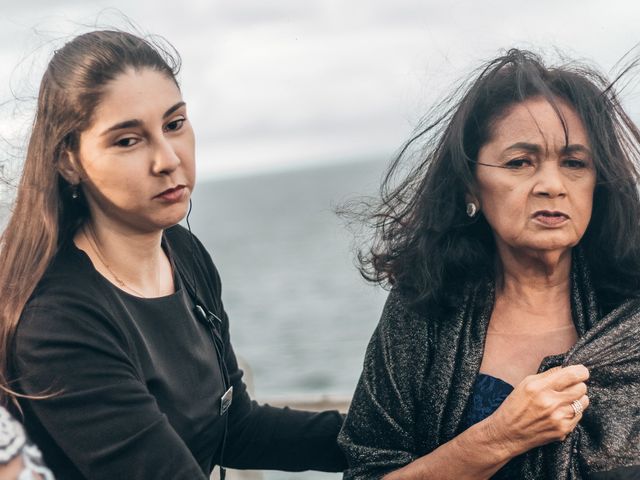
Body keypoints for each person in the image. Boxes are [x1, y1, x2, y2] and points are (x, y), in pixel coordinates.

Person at [0, 30, 346, 479]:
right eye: (128, 140)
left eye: (174, 124)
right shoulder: (56, 321)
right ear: (68, 161)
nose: (167, 159)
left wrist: (397, 437)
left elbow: (234, 427)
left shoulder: (181, 252)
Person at [338, 49, 640, 479]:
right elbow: (367, 472)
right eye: (520, 162)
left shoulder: (631, 311)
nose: (552, 186)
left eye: (575, 163)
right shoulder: (423, 312)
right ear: (470, 186)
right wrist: (500, 437)